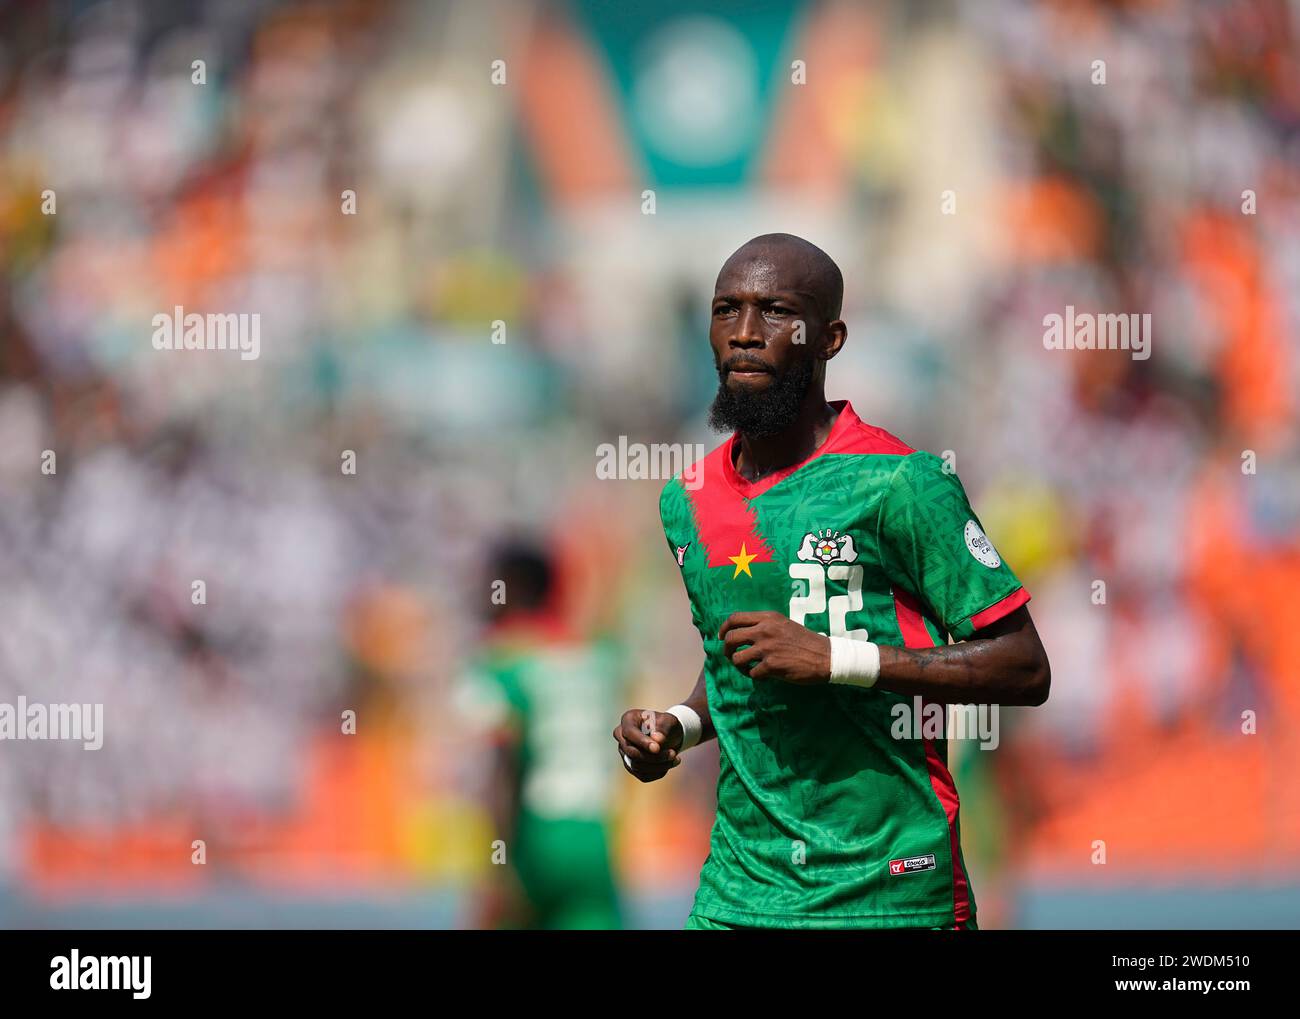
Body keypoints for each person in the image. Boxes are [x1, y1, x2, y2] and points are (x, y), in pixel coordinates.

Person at [613, 233, 1050, 930]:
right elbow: (735, 663)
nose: (746, 334)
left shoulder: (903, 482)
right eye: (727, 311)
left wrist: (833, 659)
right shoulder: (687, 500)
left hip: (888, 892)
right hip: (739, 893)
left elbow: (1024, 666)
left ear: (830, 337)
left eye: (775, 311)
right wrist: (683, 724)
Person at [459, 540, 624, 929]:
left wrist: (496, 867)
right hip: (594, 837)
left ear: (512, 585)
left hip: (533, 836)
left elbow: (503, 766)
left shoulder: (502, 658)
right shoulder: (593, 655)